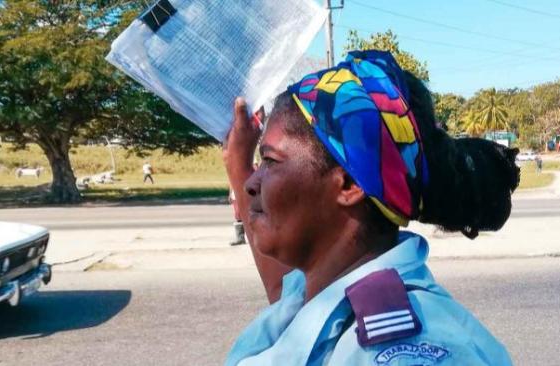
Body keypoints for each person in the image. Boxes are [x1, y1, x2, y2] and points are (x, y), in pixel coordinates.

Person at [222, 51, 519, 365]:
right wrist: (237, 163)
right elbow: (283, 293)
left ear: (350, 184)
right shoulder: (323, 289)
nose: (251, 183)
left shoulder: (402, 353)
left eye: (269, 160)